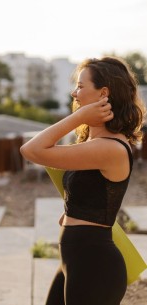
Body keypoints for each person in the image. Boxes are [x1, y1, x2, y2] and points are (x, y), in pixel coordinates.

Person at [20, 56, 145, 305]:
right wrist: (73, 211)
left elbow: (32, 150)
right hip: (78, 258)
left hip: (94, 263)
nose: (74, 93)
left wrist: (77, 118)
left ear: (103, 94)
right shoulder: (95, 145)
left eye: (80, 86)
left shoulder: (110, 148)